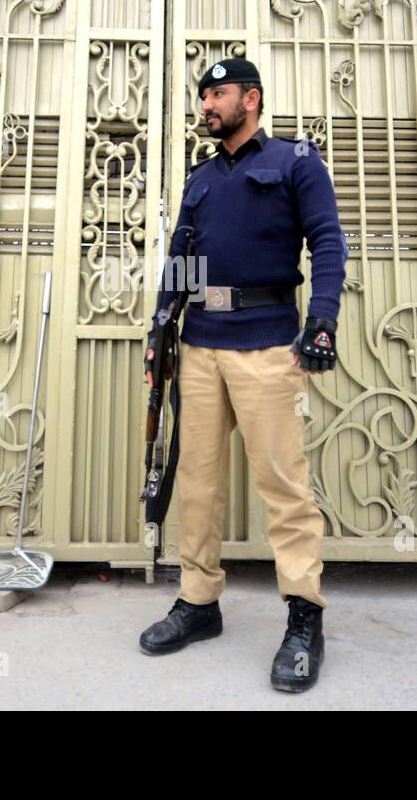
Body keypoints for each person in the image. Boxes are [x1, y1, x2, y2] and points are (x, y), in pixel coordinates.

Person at [138, 57, 347, 693]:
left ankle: (304, 617)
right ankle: (199, 603)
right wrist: (159, 328)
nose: (207, 105)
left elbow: (329, 243)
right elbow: (181, 255)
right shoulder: (199, 178)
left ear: (250, 99)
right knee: (198, 484)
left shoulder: (295, 161)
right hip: (200, 346)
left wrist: (322, 321)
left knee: (283, 484)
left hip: (266, 345)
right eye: (203, 96)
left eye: (218, 94)